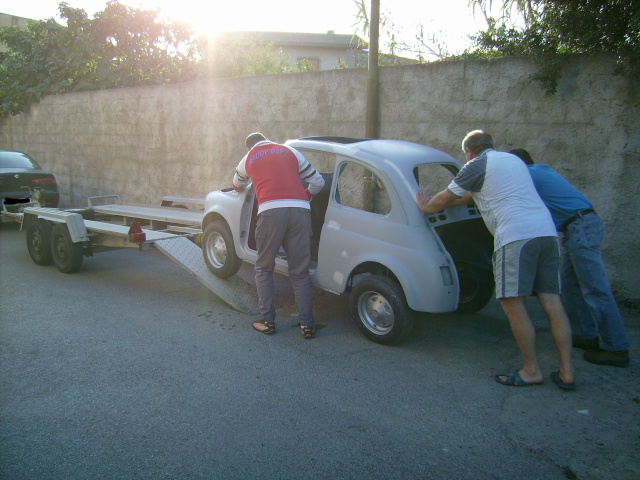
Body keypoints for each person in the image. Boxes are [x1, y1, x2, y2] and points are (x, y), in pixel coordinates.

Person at [416, 130, 575, 389]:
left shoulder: (476, 165)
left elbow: (448, 197)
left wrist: (426, 206)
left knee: (512, 302)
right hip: (546, 232)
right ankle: (567, 373)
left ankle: (531, 371)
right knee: (552, 302)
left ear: (468, 151)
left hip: (516, 236)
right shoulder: (511, 161)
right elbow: (473, 196)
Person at [509, 148, 630, 367]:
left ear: (518, 165)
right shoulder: (539, 171)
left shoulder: (530, 175)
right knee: (569, 286)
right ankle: (585, 335)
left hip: (580, 227)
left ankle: (616, 348)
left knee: (595, 288)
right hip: (577, 227)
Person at [233, 132, 325, 339]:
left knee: (264, 268)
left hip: (270, 211)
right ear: (268, 139)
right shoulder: (290, 151)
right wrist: (306, 195)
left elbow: (236, 185)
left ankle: (268, 322)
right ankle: (307, 326)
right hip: (300, 210)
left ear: (249, 147)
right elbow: (318, 183)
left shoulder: (248, 158)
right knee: (300, 271)